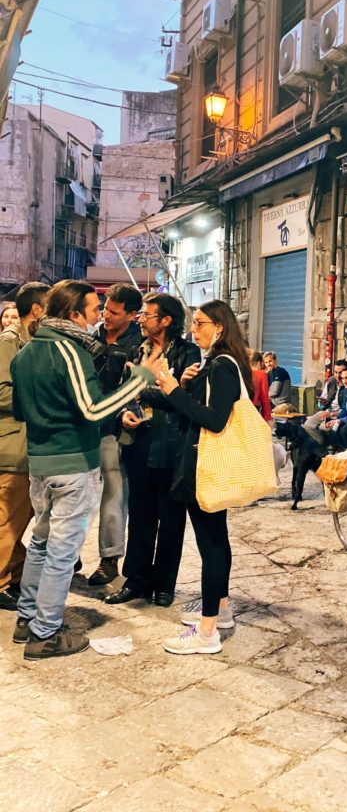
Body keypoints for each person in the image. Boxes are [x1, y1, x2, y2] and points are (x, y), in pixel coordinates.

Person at [10, 280, 162, 660]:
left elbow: (20, 411)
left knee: (42, 543)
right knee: (61, 553)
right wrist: (140, 380)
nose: (98, 316)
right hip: (72, 465)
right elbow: (93, 410)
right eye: (95, 309)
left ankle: (27, 619)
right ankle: (45, 633)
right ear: (74, 314)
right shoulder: (69, 351)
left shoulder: (26, 353)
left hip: (40, 465)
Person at [155, 299, 253, 655]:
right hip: (204, 463)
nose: (193, 329)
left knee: (211, 546)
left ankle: (207, 630)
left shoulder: (223, 365)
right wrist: (185, 386)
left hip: (206, 466)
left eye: (200, 323)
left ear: (220, 327)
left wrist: (173, 391)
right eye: (194, 323)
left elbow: (214, 419)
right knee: (216, 540)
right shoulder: (217, 362)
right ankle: (221, 611)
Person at [106, 293, 199, 608]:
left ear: (166, 320)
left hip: (172, 445)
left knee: (172, 518)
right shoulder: (137, 349)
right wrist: (124, 412)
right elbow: (123, 391)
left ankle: (164, 584)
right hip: (140, 442)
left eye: (147, 315)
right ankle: (136, 581)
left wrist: (145, 390)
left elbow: (182, 398)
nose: (141, 319)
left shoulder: (187, 352)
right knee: (140, 516)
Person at [87, 283, 143, 586]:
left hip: (114, 429)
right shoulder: (93, 336)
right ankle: (69, 553)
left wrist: (124, 412)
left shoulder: (139, 344)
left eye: (114, 312)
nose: (106, 315)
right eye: (105, 309)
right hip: (84, 426)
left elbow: (136, 389)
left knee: (114, 491)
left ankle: (109, 559)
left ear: (132, 315)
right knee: (76, 493)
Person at [0, 282, 49, 611]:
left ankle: (15, 575)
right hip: (12, 445)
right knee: (8, 520)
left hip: (28, 445)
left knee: (17, 519)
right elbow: (2, 392)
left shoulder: (31, 340)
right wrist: (42, 397)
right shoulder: (9, 342)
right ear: (37, 310)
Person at [302, 360, 347, 445]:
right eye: (335, 372)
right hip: (327, 411)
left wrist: (331, 414)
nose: (338, 376)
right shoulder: (331, 381)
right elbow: (323, 401)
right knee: (308, 425)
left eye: (340, 373)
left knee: (328, 428)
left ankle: (327, 446)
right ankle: (322, 444)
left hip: (339, 415)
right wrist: (322, 402)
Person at [248, 350, 271, 422]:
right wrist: (267, 419)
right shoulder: (261, 374)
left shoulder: (242, 372)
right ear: (258, 363)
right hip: (252, 410)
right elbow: (264, 399)